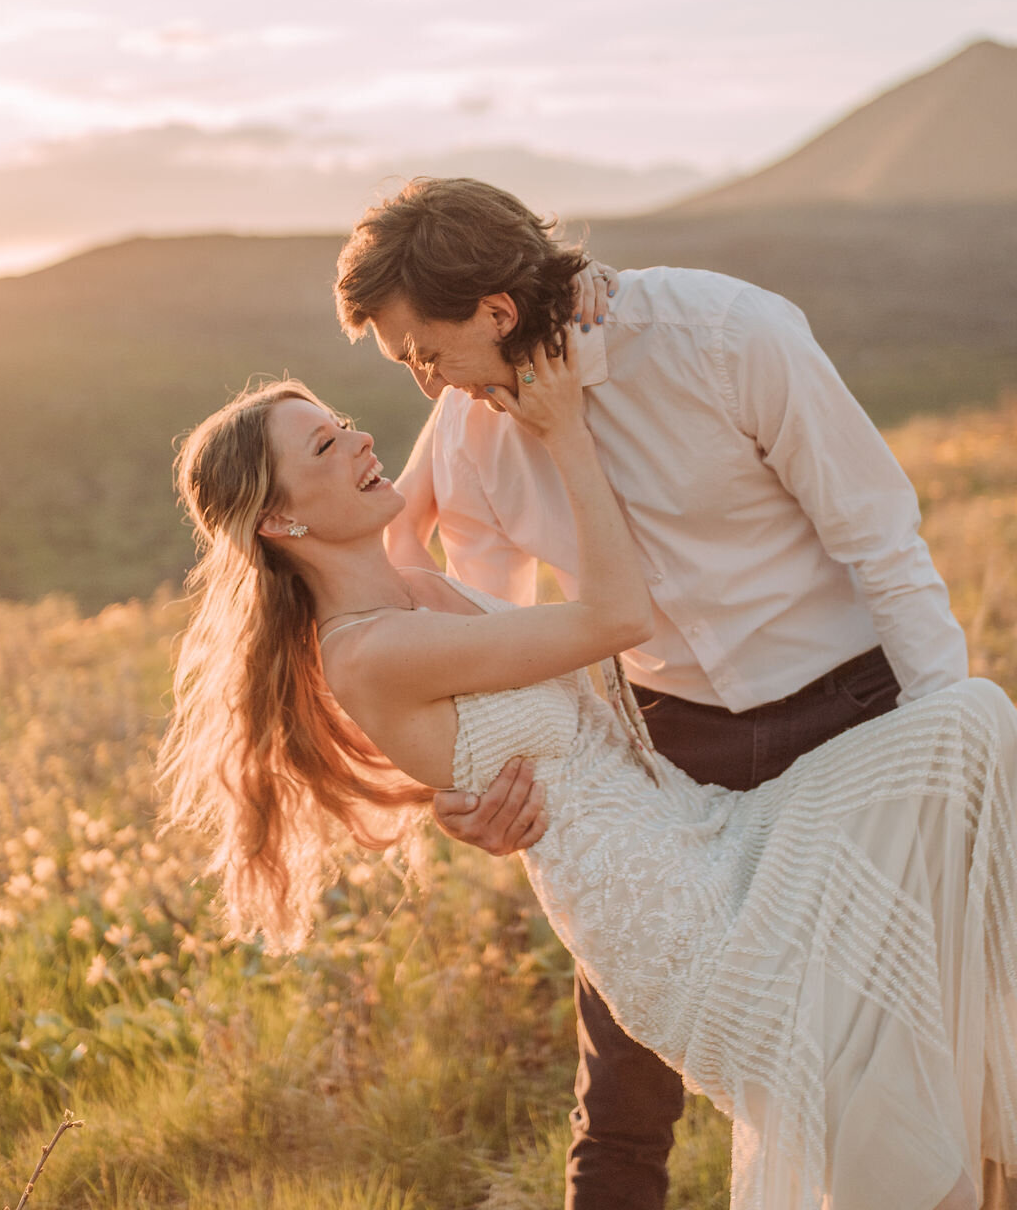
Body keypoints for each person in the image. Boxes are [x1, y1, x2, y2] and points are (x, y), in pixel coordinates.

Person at [160, 359, 1016, 1210]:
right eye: (325, 443)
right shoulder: (367, 648)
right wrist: (563, 429)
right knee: (876, 1096)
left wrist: (491, 350)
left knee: (967, 742)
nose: (359, 437)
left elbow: (443, 423)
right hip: (662, 910)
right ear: (278, 518)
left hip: (700, 829)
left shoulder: (406, 579)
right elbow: (616, 617)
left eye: (344, 419)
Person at [333, 176, 974, 1210]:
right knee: (625, 1060)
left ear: (497, 312)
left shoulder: (729, 335)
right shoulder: (467, 432)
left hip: (853, 719)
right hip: (662, 746)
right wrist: (478, 782)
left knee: (887, 1025)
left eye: (425, 353)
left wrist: (948, 744)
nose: (426, 386)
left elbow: (880, 542)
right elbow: (492, 647)